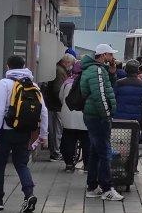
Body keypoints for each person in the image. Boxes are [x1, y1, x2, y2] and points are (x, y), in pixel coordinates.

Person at [0, 55, 48, 213]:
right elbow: (44, 112)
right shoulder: (32, 84)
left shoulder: (4, 83)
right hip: (24, 132)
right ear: (23, 67)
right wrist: (43, 135)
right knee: (21, 164)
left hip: (5, 132)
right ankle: (29, 194)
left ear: (8, 66)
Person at [79, 44, 124, 202]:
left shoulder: (95, 69)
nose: (113, 58)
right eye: (111, 55)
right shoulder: (97, 70)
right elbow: (100, 94)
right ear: (104, 55)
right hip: (98, 116)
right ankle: (107, 188)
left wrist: (112, 72)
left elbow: (107, 86)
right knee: (104, 152)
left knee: (95, 152)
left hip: (92, 115)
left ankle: (92, 186)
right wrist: (107, 115)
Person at [57, 58, 87, 173]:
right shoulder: (88, 83)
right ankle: (88, 165)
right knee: (87, 141)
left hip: (68, 117)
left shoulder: (67, 83)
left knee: (68, 140)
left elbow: (60, 98)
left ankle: (69, 164)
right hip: (85, 118)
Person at [42, 55, 72, 162]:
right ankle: (56, 152)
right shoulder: (60, 72)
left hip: (53, 105)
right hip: (56, 106)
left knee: (55, 129)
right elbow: (57, 90)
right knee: (56, 130)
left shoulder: (59, 70)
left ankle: (55, 151)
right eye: (70, 64)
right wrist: (64, 101)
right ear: (66, 62)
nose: (71, 66)